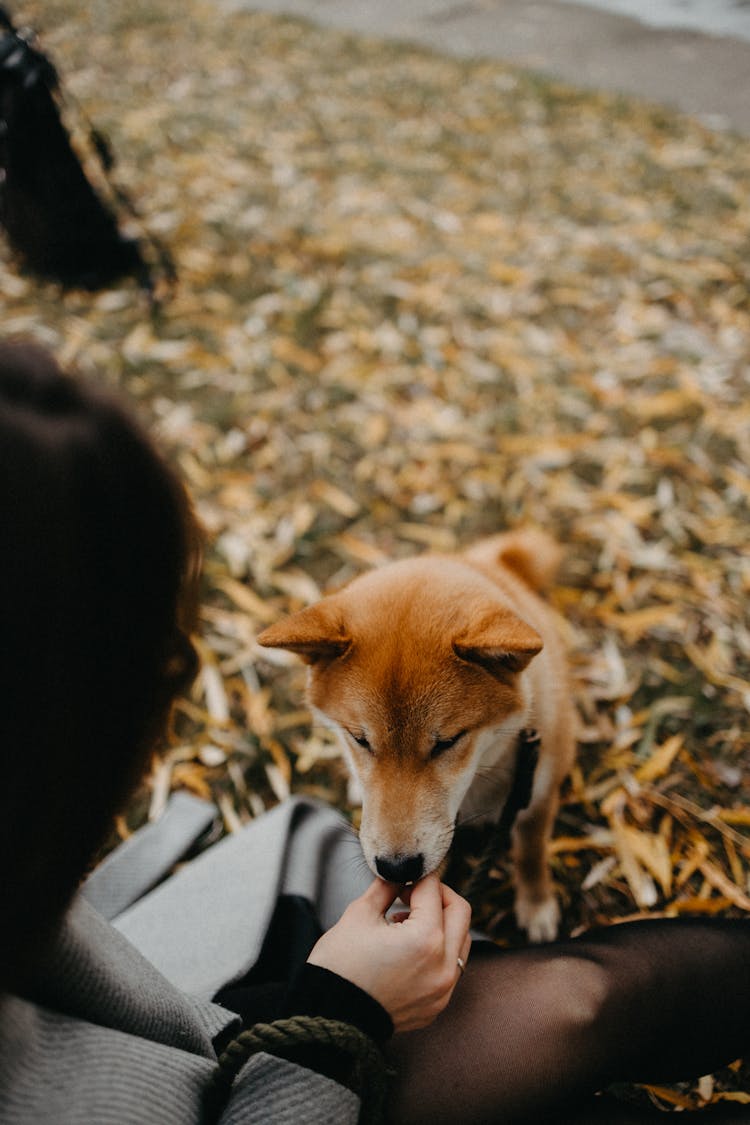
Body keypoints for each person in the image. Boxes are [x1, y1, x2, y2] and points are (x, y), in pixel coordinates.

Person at [0, 339, 748, 1124]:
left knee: (595, 994)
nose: (393, 822)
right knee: (588, 1008)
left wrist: (523, 869)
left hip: (199, 1012)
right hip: (278, 1076)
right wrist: (342, 1013)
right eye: (358, 741)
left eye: (440, 745)